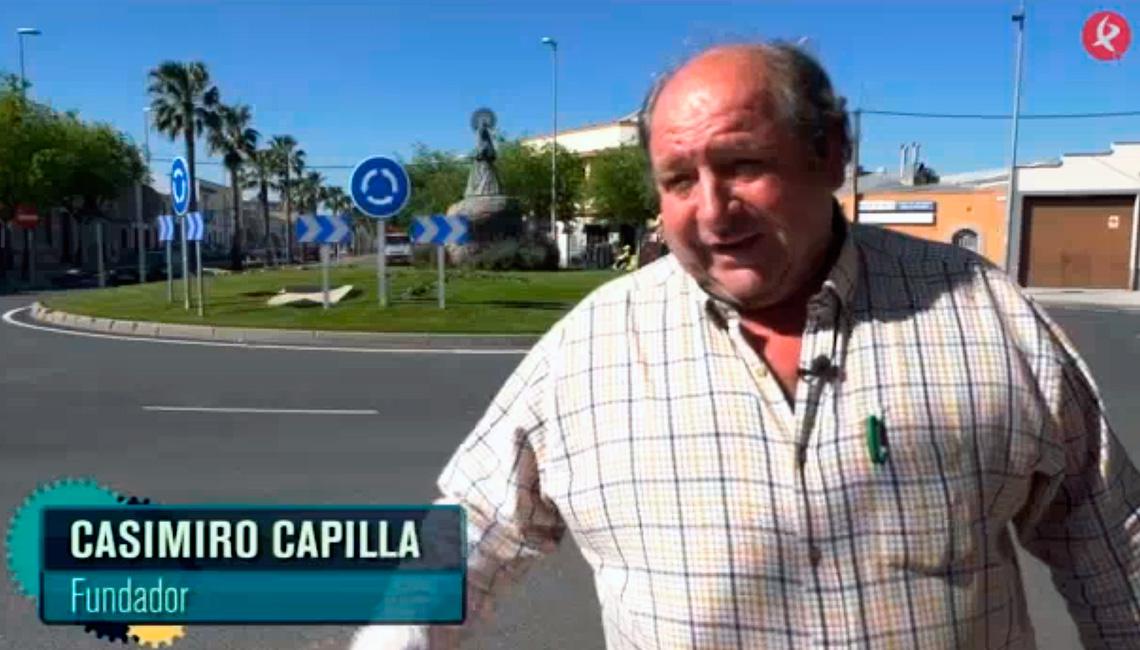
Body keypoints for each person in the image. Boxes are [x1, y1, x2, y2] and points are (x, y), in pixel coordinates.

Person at [353, 41, 1140, 649]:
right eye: (678, 180)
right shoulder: (587, 351)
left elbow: (1116, 552)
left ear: (830, 151)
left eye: (742, 164)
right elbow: (457, 548)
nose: (711, 211)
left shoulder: (985, 317)